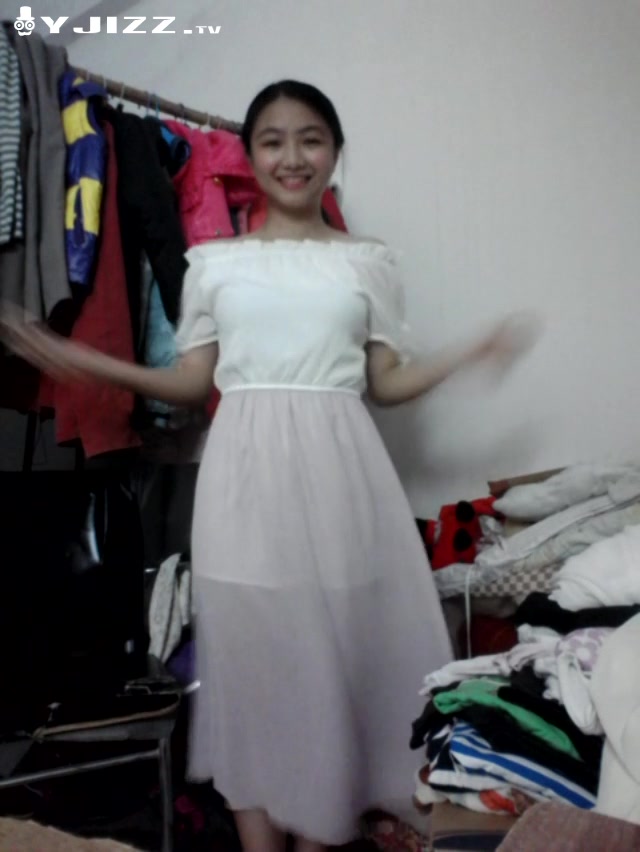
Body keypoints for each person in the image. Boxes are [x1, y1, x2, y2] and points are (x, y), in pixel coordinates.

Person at [1, 80, 537, 852]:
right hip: (244, 480)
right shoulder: (212, 263)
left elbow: (385, 384)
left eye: (311, 138)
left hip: (343, 476)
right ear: (249, 156)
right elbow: (192, 383)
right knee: (254, 667)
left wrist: (469, 353)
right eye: (274, 140)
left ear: (335, 151)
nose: (293, 156)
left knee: (330, 665)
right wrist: (86, 362)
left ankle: (321, 834)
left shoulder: (368, 262)